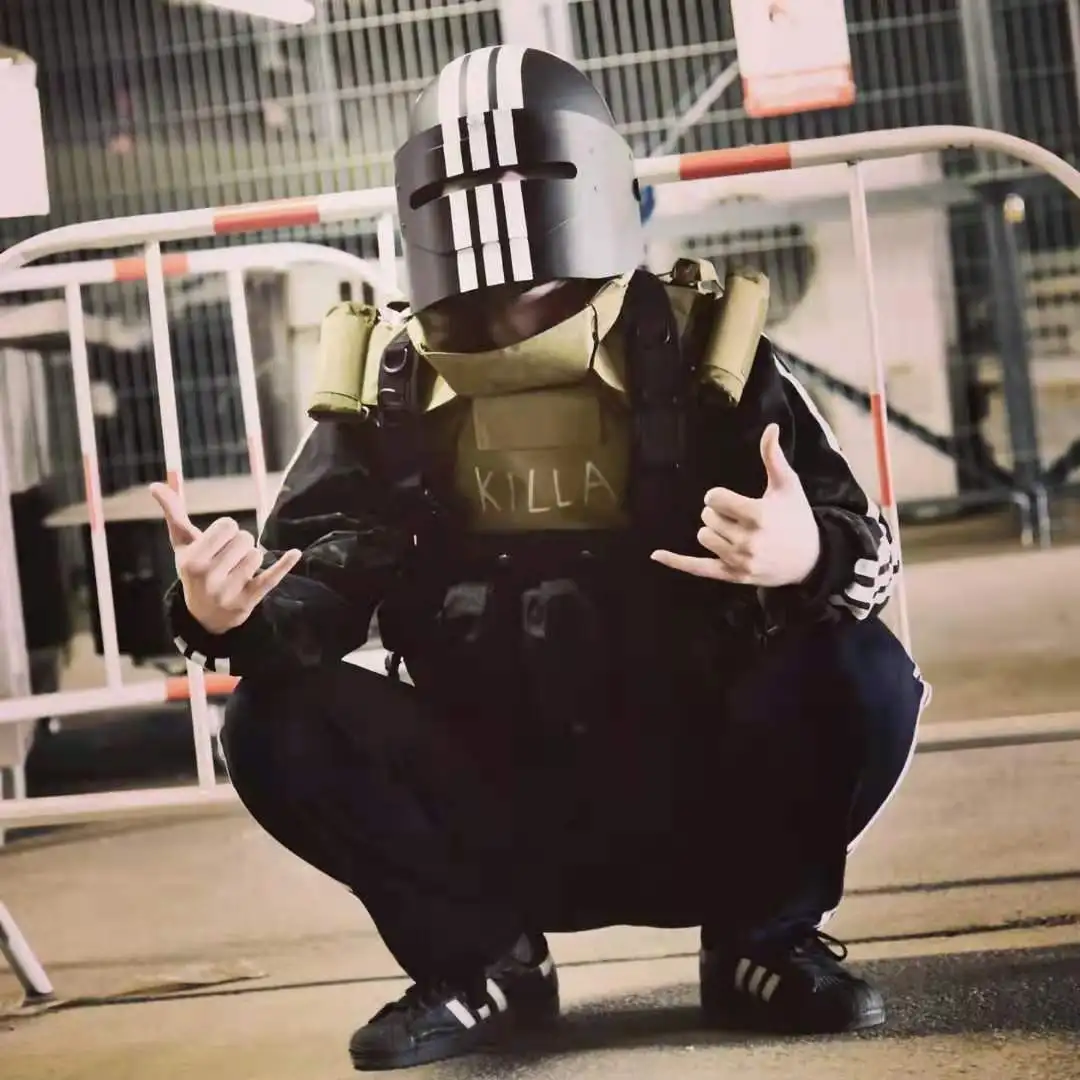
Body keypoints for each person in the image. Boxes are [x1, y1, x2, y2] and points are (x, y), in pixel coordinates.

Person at [151, 46, 928, 1073]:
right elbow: (320, 577)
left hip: (700, 780)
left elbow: (863, 553)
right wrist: (228, 614)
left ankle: (761, 940)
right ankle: (481, 965)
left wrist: (808, 553)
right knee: (271, 719)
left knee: (862, 668)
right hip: (491, 793)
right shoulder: (397, 380)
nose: (506, 314)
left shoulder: (703, 355)